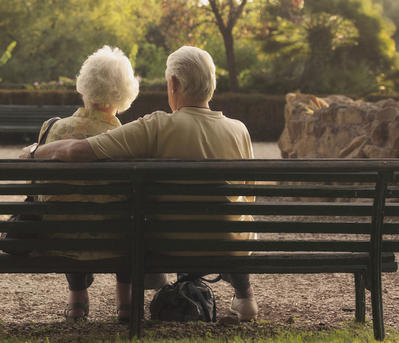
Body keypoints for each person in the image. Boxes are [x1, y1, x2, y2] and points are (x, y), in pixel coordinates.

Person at [22, 46, 259, 322]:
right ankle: (245, 297)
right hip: (226, 245)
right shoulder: (239, 129)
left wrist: (33, 152)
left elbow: (78, 151)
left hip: (169, 245)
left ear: (174, 84)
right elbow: (247, 193)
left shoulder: (156, 126)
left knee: (143, 226)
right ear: (212, 85)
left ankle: (140, 294)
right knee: (232, 226)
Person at [31, 45, 156, 322]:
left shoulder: (53, 130)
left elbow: (38, 189)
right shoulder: (126, 136)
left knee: (71, 210)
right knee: (127, 217)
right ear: (125, 92)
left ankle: (76, 300)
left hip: (59, 239)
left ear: (85, 84)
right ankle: (125, 301)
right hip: (117, 242)